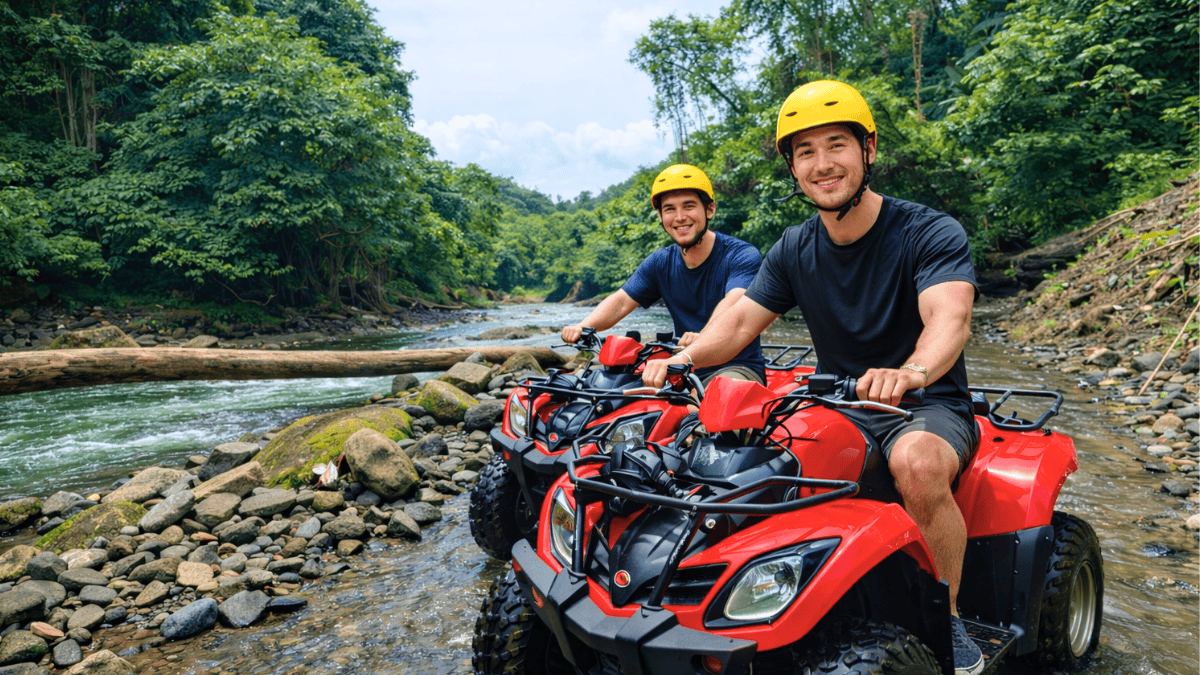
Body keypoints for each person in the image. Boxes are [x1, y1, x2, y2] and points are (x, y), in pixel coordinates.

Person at [641, 81, 983, 675]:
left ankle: (946, 618)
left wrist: (910, 372)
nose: (822, 164)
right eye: (805, 152)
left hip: (927, 403)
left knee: (917, 465)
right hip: (836, 403)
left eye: (837, 145)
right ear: (793, 167)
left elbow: (948, 318)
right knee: (731, 455)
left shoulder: (928, 231)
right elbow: (740, 319)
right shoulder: (795, 247)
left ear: (868, 149)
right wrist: (681, 361)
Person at [561, 163, 765, 384]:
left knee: (718, 402)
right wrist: (582, 326)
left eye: (689, 206)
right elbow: (620, 301)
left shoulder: (741, 255)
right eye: (669, 209)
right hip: (679, 368)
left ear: (710, 209)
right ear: (660, 216)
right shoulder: (660, 262)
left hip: (735, 367)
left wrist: (705, 336)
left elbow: (734, 303)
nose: (679, 217)